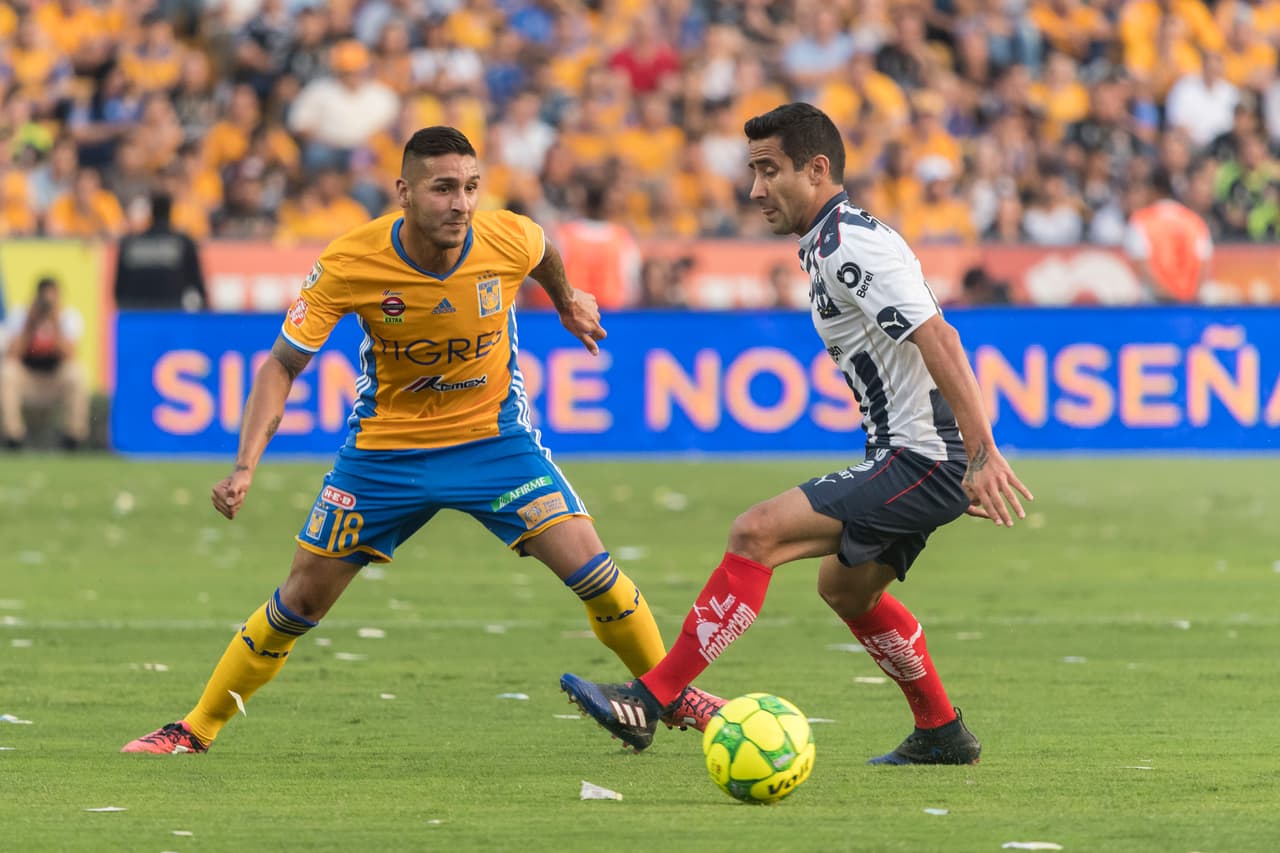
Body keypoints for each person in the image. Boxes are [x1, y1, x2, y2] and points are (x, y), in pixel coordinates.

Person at [121, 126, 721, 755]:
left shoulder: (507, 236)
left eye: (470, 188)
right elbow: (281, 365)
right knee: (300, 598)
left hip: (494, 444)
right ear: (403, 192)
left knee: (595, 571)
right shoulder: (352, 260)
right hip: (385, 454)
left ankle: (667, 696)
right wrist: (245, 465)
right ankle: (194, 729)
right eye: (443, 189)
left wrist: (567, 301)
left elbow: (542, 249)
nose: (461, 203)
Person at [560, 103, 1033, 764]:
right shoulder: (829, 243)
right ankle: (941, 731)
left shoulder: (850, 244)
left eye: (768, 170)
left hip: (922, 456)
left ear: (816, 169)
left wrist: (976, 454)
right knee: (845, 589)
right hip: (922, 456)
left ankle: (652, 697)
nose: (754, 189)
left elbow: (939, 338)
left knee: (757, 532)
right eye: (752, 171)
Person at [1, 276, 90, 450]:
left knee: (77, 374)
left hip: (55, 377)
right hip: (28, 377)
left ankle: (73, 436)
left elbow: (70, 355)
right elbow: (12, 354)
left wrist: (55, 323)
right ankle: (13, 437)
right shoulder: (21, 314)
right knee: (6, 372)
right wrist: (30, 323)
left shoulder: (68, 316)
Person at [1123, 169, 1213, 303]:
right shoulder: (1194, 220)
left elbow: (1141, 264)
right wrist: (1190, 296)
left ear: (1153, 191)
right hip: (1189, 302)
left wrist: (1165, 295)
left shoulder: (1140, 221)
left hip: (1155, 305)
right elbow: (1205, 264)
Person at [114, 193, 208, 311]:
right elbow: (197, 286)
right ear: (170, 212)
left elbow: (119, 290)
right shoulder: (183, 243)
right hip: (172, 316)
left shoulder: (130, 244)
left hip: (137, 318)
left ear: (151, 213)